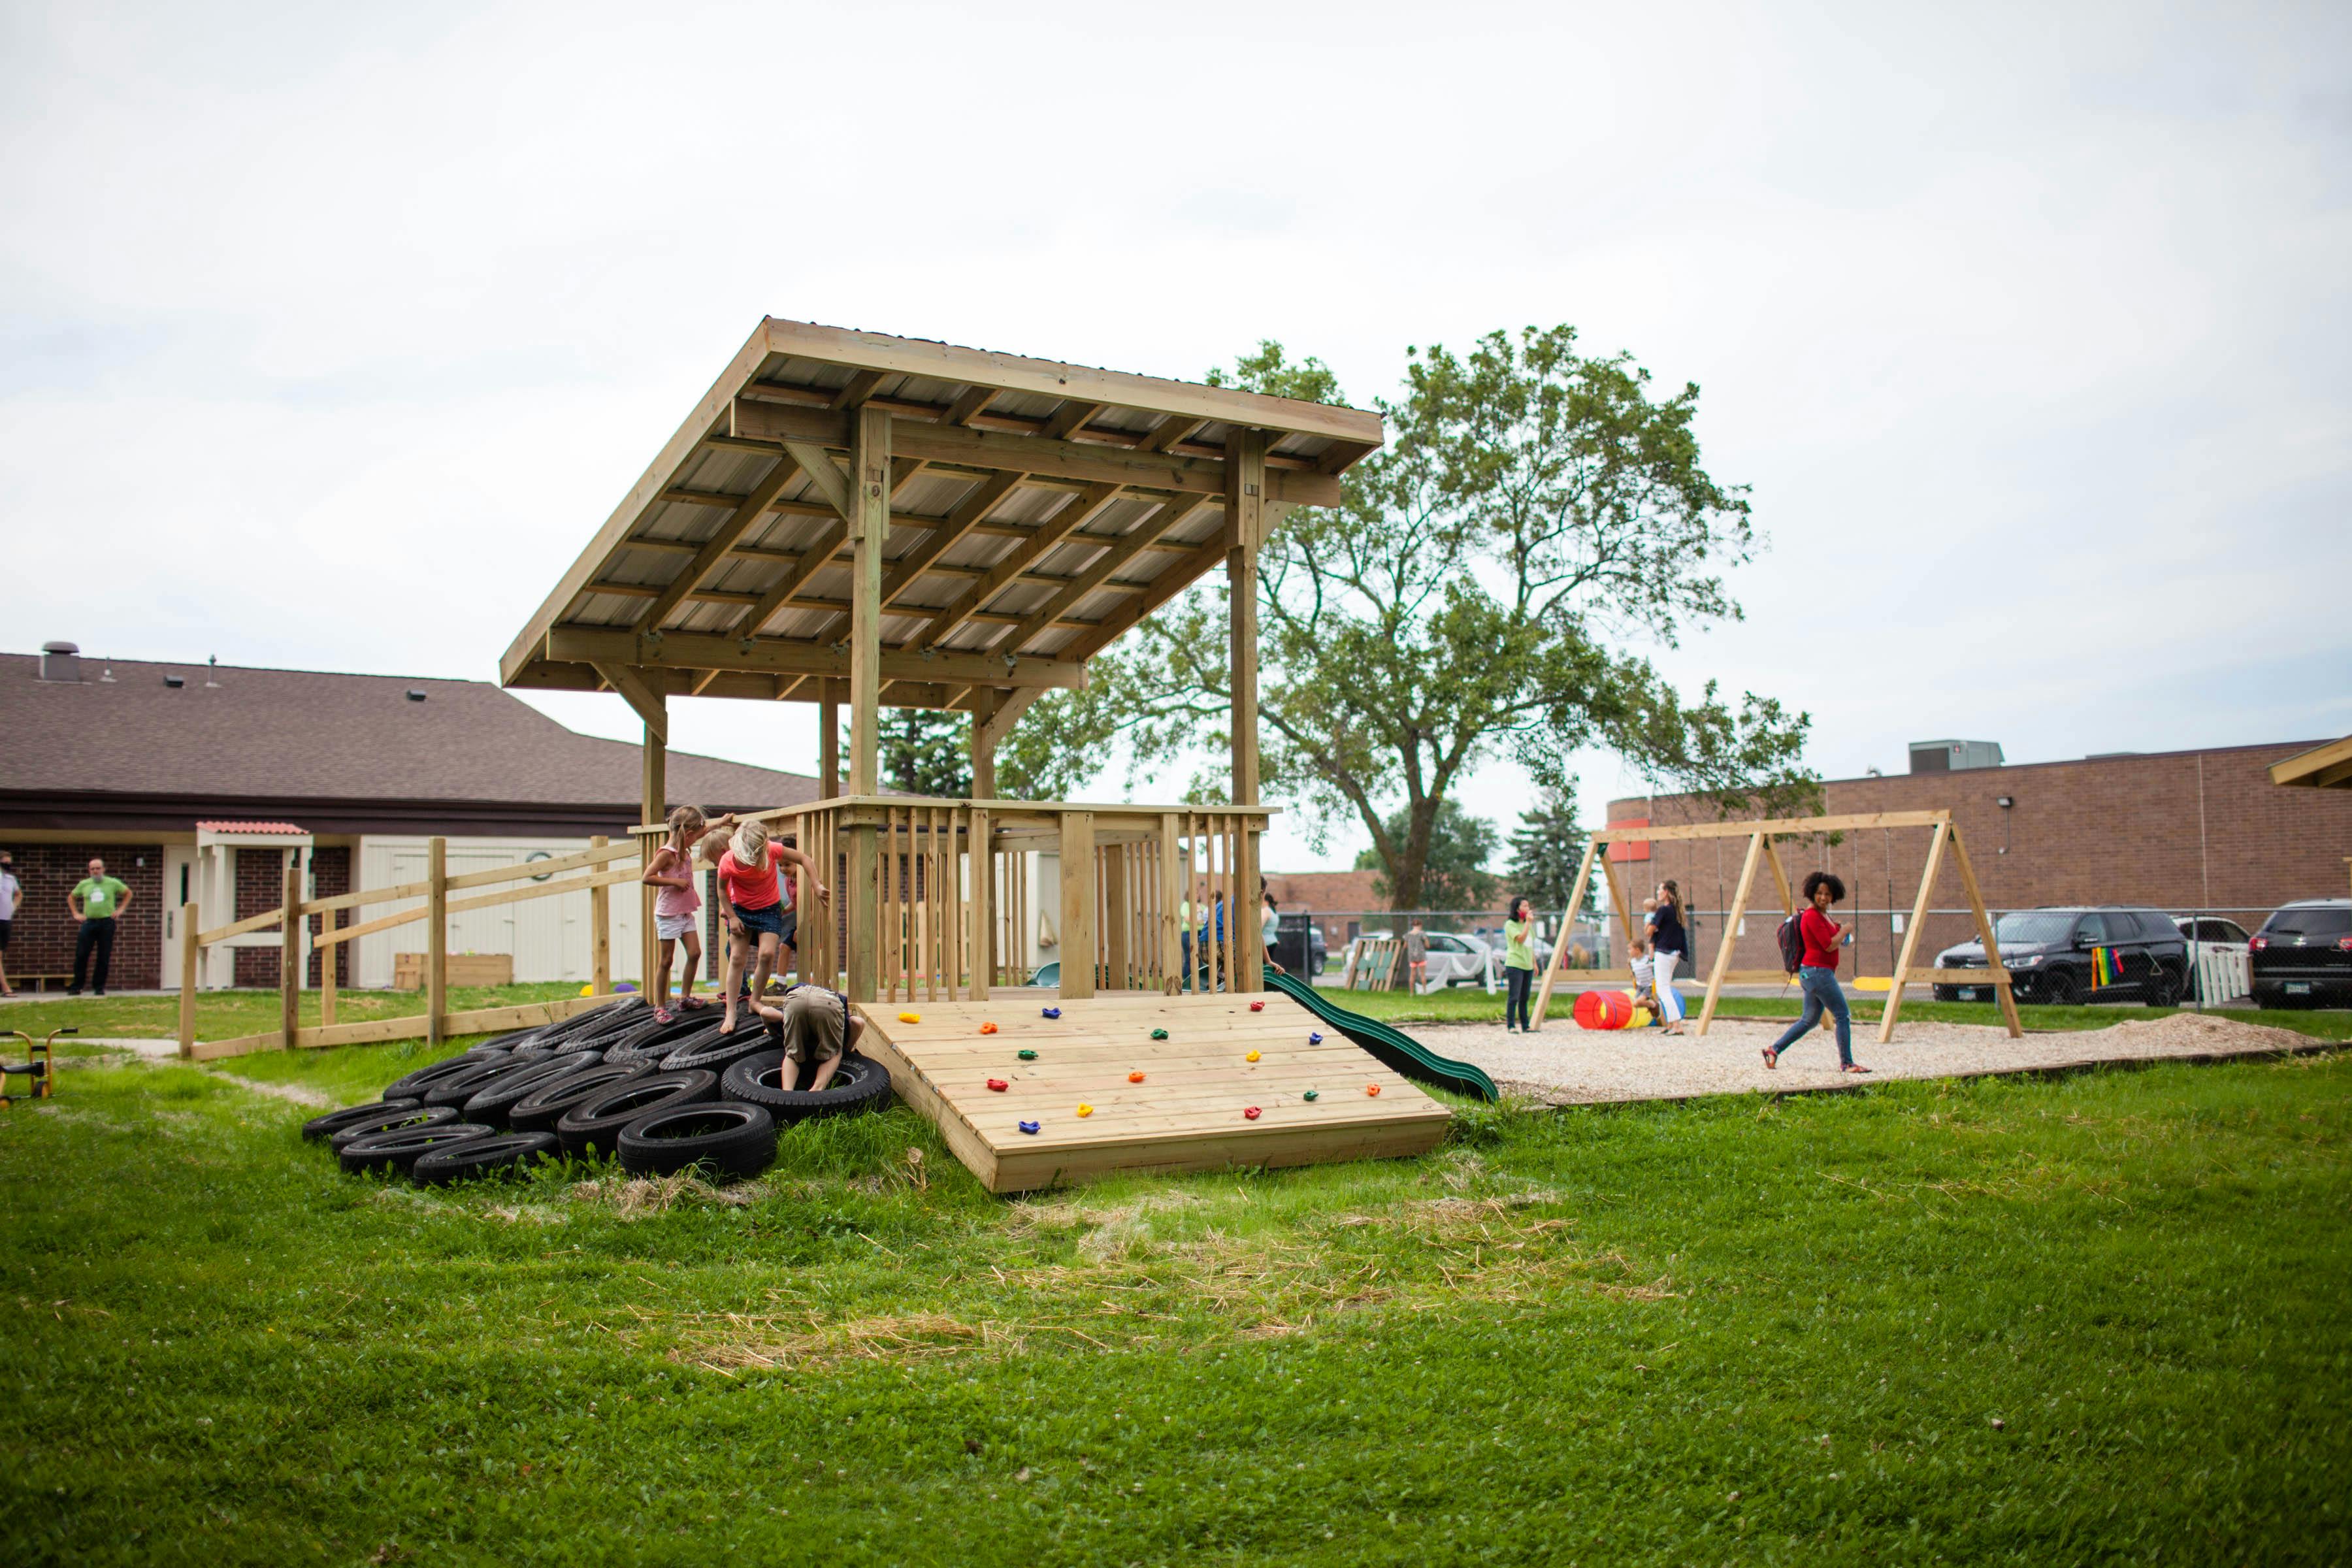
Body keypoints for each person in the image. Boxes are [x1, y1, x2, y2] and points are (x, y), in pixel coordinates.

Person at [715, 819, 828, 1036]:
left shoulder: (772, 850)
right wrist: (732, 916)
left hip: (768, 910)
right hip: (740, 910)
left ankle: (755, 1001)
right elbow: (721, 890)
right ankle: (731, 1011)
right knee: (737, 957)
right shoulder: (728, 860)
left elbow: (805, 859)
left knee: (767, 954)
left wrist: (817, 885)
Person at [1762, 871, 1867, 1073]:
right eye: (1819, 893)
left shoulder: (1823, 916)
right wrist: (1845, 930)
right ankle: (1847, 1063)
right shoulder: (1811, 916)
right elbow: (1828, 945)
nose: (1823, 898)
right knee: (1843, 1015)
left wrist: (1841, 932)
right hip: (1818, 973)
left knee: (1809, 1021)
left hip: (1815, 974)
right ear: (1812, 893)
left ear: (1834, 896)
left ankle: (1773, 1050)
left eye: (1828, 894)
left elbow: (1835, 938)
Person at [642, 806, 727, 1022]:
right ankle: (660, 1006)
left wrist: (722, 821)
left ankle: (685, 997)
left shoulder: (685, 845)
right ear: (687, 835)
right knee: (666, 960)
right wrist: (674, 881)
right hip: (668, 914)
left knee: (695, 953)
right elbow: (647, 877)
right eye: (694, 837)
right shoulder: (666, 855)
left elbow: (704, 830)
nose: (696, 840)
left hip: (685, 911)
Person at [749, 979, 862, 1093]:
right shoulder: (840, 1027)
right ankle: (816, 1091)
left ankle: (787, 1093)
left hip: (798, 997)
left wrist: (771, 1031)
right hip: (828, 1001)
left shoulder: (786, 1026)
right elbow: (858, 1022)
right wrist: (846, 1049)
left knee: (792, 1055)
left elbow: (765, 1013)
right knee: (834, 1054)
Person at [69, 857, 132, 997]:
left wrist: (121, 910)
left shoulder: (112, 883)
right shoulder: (84, 884)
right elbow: (72, 897)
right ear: (89, 871)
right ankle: (77, 987)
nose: (96, 871)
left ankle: (99, 987)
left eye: (98, 868)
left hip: (106, 922)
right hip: (89, 922)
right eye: (93, 869)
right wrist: (76, 914)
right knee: (81, 955)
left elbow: (128, 893)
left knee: (103, 956)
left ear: (103, 869)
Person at [1646, 879, 1690, 1036]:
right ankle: (1671, 1024)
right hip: (1674, 953)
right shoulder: (1676, 911)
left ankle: (1676, 1025)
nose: (1658, 892)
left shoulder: (1663, 910)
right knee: (1666, 987)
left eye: (1660, 889)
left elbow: (1649, 931)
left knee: (1663, 989)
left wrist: (1650, 921)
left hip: (1664, 953)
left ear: (1666, 892)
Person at [1502, 896, 1537, 1032]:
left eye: (1528, 906)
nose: (1527, 909)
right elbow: (1521, 939)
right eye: (1524, 906)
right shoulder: (1510, 924)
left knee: (1525, 997)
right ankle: (1511, 1026)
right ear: (1517, 908)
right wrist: (1528, 923)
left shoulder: (1528, 925)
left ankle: (1525, 1025)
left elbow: (1530, 945)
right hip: (1515, 964)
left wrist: (1534, 963)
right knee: (1514, 997)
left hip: (1527, 965)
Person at [0, 851, 19, 998]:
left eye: (9, 862)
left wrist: (12, 907)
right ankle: (6, 988)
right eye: (5, 862)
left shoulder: (11, 879)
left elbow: (19, 894)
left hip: (5, 920)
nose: (7, 865)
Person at [1405, 919, 1429, 995]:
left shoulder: (1408, 935)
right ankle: (1425, 991)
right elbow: (1428, 945)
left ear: (1413, 926)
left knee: (1412, 975)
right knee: (1422, 974)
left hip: (1412, 956)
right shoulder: (1422, 934)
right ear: (1420, 925)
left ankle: (1411, 993)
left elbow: (1405, 946)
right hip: (1421, 956)